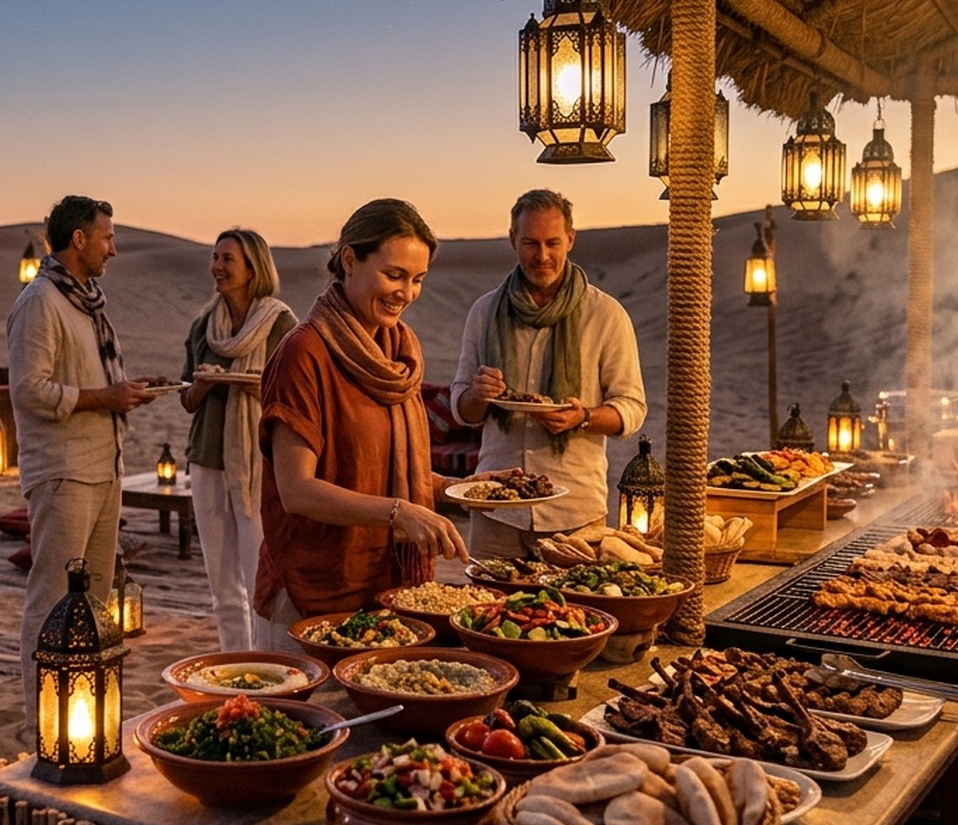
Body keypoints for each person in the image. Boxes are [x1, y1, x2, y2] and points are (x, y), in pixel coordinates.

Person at [253, 198, 469, 649]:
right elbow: (297, 490)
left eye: (417, 280)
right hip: (312, 596)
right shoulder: (304, 353)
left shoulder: (397, 352)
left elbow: (384, 475)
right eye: (393, 275)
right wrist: (399, 513)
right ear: (349, 260)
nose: (406, 293)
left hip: (387, 593)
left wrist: (467, 490)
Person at [8, 195, 165, 726]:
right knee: (52, 597)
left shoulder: (87, 303)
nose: (113, 249)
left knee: (97, 600)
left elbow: (90, 382)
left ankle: (87, 716)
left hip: (105, 466)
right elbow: (29, 391)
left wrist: (126, 392)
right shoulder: (41, 302)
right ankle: (41, 724)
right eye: (107, 237)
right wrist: (107, 398)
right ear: (79, 239)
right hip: (64, 472)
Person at [450, 189, 647, 557]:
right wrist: (476, 395)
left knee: (572, 612)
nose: (542, 256)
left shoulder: (605, 315)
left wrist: (583, 417)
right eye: (530, 243)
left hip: (574, 509)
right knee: (485, 607)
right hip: (496, 505)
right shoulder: (484, 311)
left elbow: (632, 408)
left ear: (570, 239)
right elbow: (463, 408)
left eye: (552, 243)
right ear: (512, 240)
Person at [178, 228, 296, 651]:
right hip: (207, 458)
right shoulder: (202, 326)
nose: (218, 267)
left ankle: (266, 659)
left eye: (228, 259)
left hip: (257, 461)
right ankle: (234, 663)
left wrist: (257, 388)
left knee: (259, 573)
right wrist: (205, 385)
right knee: (221, 579)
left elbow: (294, 395)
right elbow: (187, 399)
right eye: (215, 258)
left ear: (253, 267)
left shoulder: (280, 323)